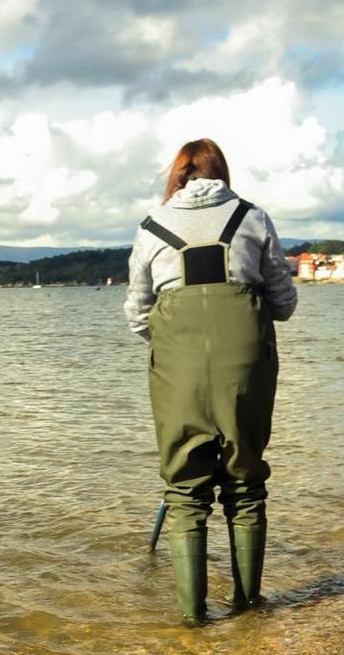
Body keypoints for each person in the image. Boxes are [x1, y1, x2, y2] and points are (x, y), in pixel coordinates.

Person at [125, 139, 297, 623]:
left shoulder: (150, 229)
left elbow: (138, 314)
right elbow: (283, 302)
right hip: (245, 365)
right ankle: (249, 606)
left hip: (176, 366)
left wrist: (175, 344)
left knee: (184, 489)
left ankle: (192, 620)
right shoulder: (253, 217)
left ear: (176, 175)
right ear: (222, 172)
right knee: (245, 482)